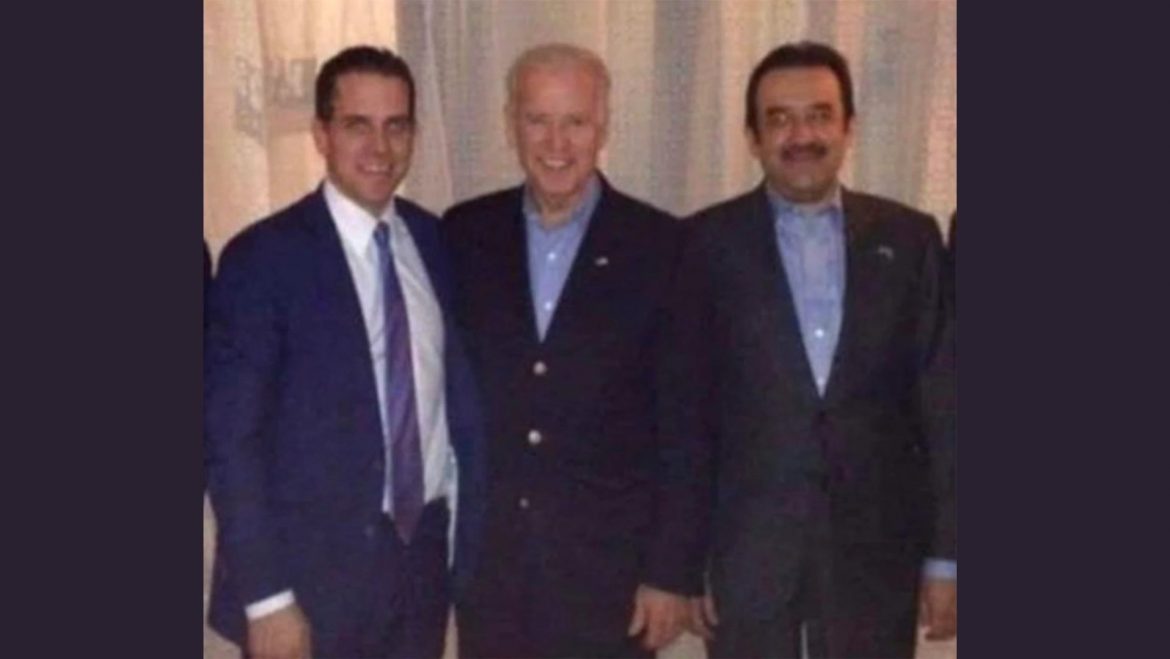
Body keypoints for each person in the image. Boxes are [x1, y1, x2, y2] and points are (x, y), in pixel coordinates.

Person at [677, 41, 957, 658]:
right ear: (752, 137)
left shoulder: (910, 240)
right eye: (779, 118)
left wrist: (947, 557)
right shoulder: (703, 245)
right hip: (746, 555)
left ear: (848, 127)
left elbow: (941, 404)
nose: (801, 135)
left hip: (878, 554)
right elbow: (686, 418)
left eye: (819, 115)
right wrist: (684, 561)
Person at [205, 45, 483, 659]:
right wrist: (267, 599)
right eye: (358, 125)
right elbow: (231, 440)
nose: (380, 147)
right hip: (307, 585)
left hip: (419, 572)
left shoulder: (436, 242)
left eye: (396, 126)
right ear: (321, 134)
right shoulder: (263, 259)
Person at [441, 43, 705, 658]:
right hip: (493, 580)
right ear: (511, 123)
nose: (556, 142)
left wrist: (670, 572)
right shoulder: (463, 234)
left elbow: (687, 425)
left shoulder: (662, 246)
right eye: (538, 119)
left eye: (576, 122)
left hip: (611, 582)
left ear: (603, 127)